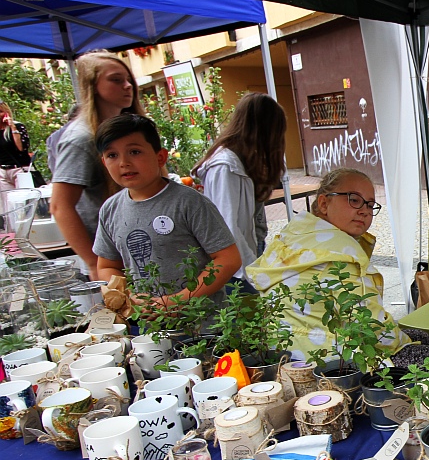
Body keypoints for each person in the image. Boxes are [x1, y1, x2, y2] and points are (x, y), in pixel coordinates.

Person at [246, 168, 410, 362]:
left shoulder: (294, 235)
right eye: (354, 199)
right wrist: (407, 342)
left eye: (370, 204)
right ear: (324, 203)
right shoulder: (341, 254)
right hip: (329, 363)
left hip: (278, 354)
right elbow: (372, 327)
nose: (364, 210)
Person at [92, 114, 240, 309]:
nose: (123, 162)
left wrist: (178, 300)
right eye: (112, 155)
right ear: (104, 162)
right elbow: (107, 266)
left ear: (160, 156)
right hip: (146, 326)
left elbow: (228, 259)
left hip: (203, 326)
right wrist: (129, 296)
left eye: (134, 152)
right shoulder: (110, 210)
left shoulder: (189, 203)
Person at [51, 51, 146, 279]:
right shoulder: (81, 139)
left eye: (129, 80)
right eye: (116, 80)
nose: (127, 86)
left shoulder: (129, 128)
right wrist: (94, 264)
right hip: (113, 264)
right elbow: (60, 206)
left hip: (141, 253)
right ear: (92, 86)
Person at [193, 92, 286, 290]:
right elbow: (227, 228)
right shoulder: (225, 167)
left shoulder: (241, 160)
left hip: (246, 257)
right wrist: (252, 270)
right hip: (236, 267)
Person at [0, 101, 31, 190]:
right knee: (8, 202)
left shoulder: (18, 126)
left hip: (19, 169)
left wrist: (12, 126)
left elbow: (21, 148)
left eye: (0, 111)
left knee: (24, 200)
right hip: (3, 172)